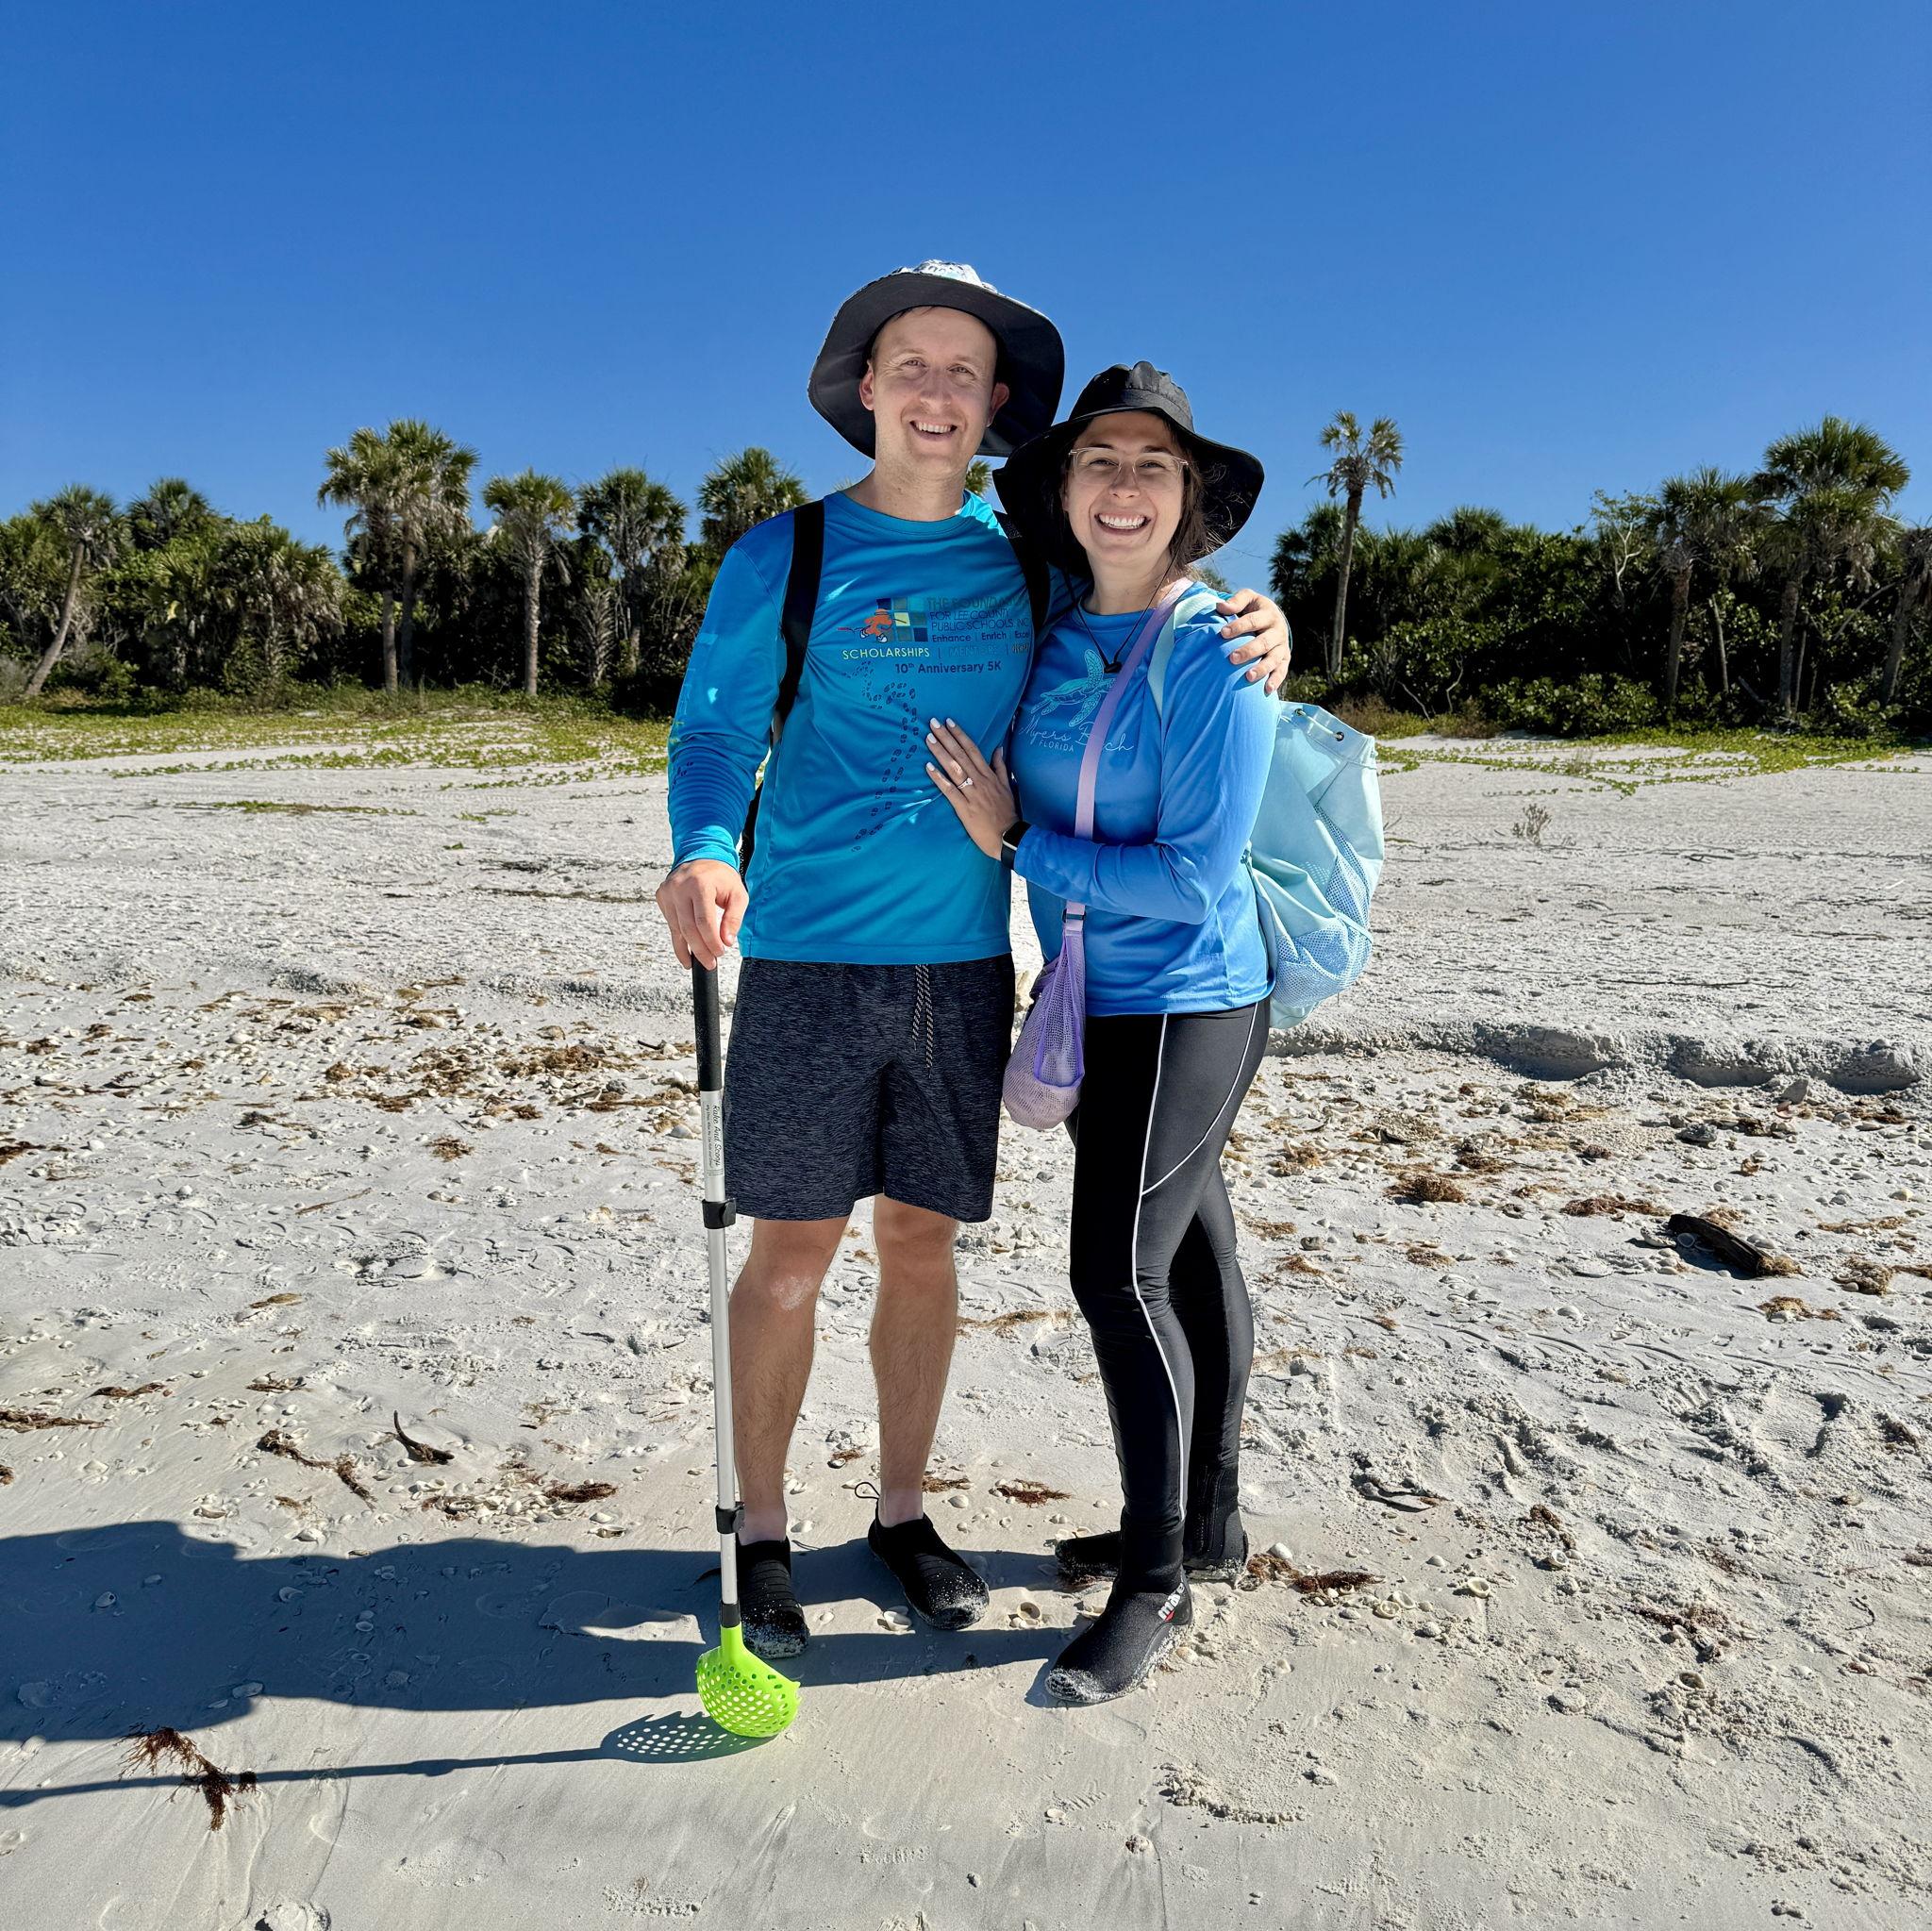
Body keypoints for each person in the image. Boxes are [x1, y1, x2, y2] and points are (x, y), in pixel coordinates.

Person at [658, 268, 1292, 1660]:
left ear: (996, 405)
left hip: (962, 969)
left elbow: (1155, 587)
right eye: (911, 365)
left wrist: (1266, 620)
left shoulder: (1031, 560)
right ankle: (761, 1533)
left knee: (922, 1251)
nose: (937, 392)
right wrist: (705, 847)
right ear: (865, 388)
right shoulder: (787, 554)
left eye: (965, 372)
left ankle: (899, 1512)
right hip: (810, 962)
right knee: (787, 1262)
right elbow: (712, 736)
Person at [924, 361, 1277, 1704]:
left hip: (1191, 996)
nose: (1122, 485)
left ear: (1190, 500)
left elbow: (1195, 875)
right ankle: (1214, 1525)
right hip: (1095, 994)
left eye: (1152, 465)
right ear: (1065, 493)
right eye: (1098, 461)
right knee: (1190, 1251)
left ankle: (1154, 1577)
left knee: (1114, 1275)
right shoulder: (1058, 634)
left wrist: (1021, 841)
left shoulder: (1218, 651)